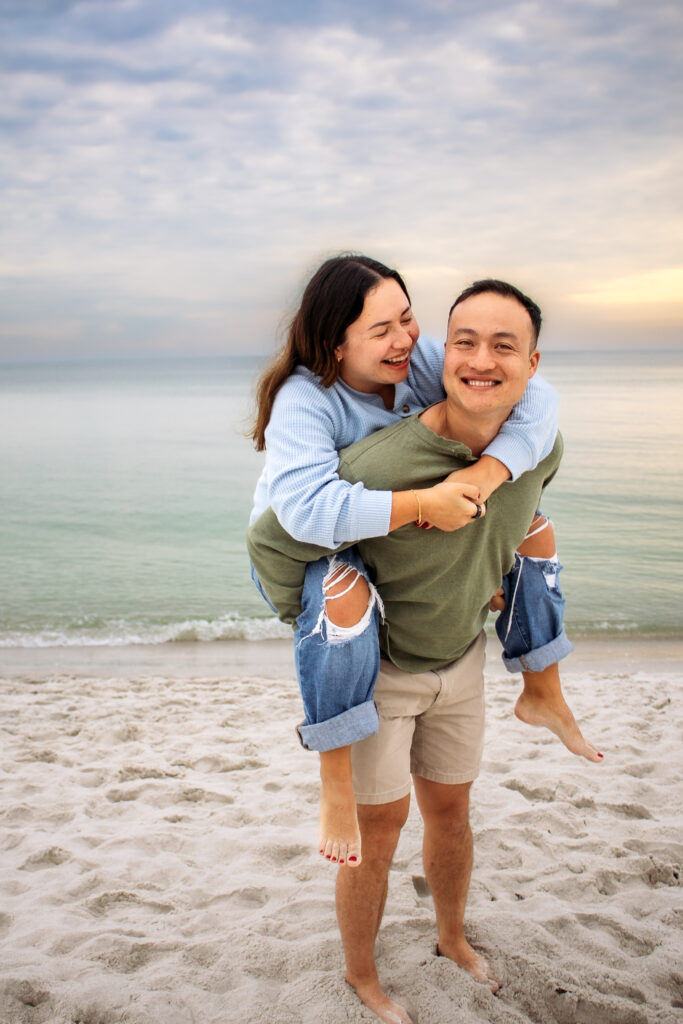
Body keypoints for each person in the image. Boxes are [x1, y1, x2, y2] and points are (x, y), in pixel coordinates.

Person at [248, 280, 599, 1024]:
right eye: (382, 329)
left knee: (452, 811)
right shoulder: (331, 423)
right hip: (377, 663)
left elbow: (530, 405)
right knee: (377, 828)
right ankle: (361, 973)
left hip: (461, 658)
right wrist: (300, 609)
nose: (407, 340)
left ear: (529, 361)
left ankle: (450, 936)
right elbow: (282, 528)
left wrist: (484, 497)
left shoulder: (457, 378)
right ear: (335, 344)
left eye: (409, 320)